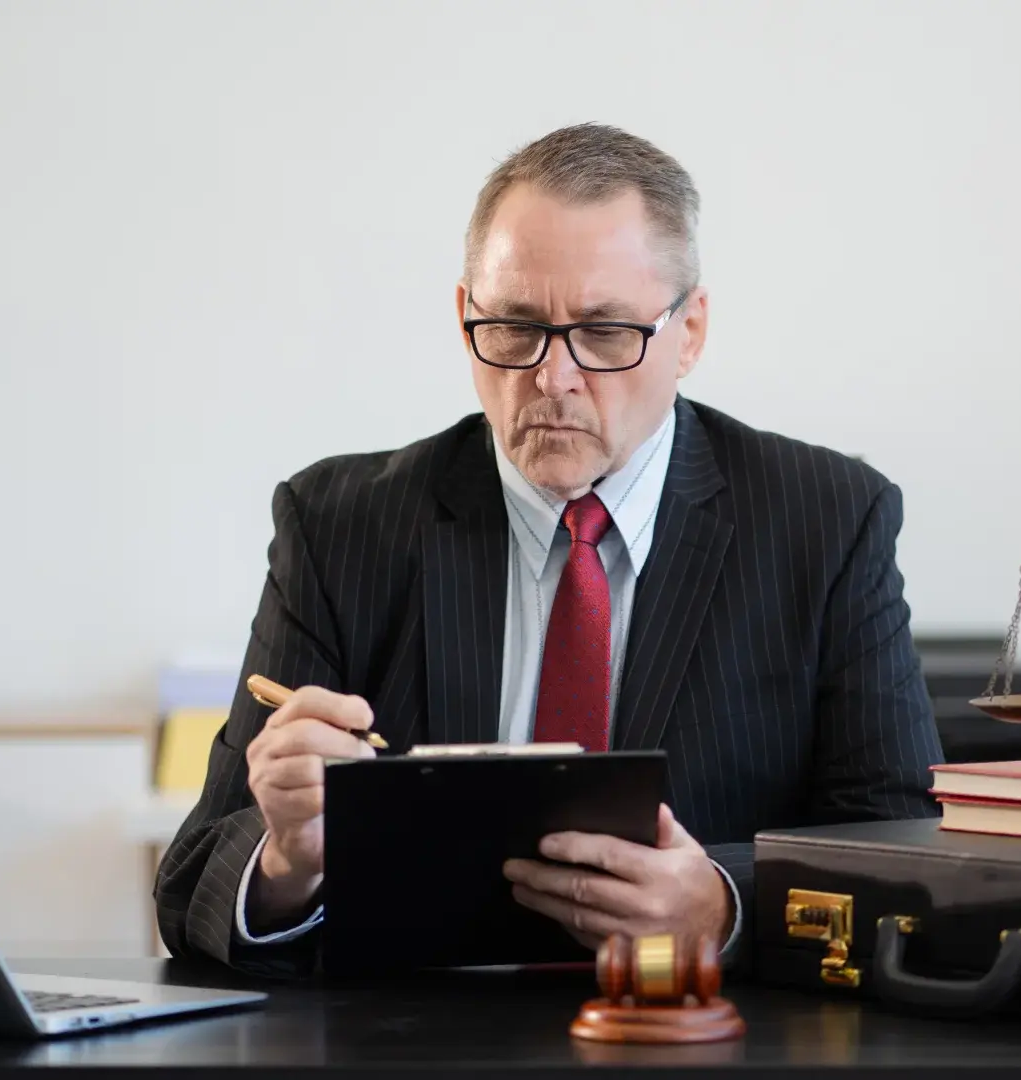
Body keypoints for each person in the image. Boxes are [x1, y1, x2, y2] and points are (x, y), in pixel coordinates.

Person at [155, 123, 944, 975]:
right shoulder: (339, 523)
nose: (552, 378)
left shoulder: (827, 519)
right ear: (466, 316)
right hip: (415, 1025)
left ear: (689, 333)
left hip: (705, 1022)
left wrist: (723, 905)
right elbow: (193, 883)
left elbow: (905, 852)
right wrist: (287, 861)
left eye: (604, 333)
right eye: (514, 327)